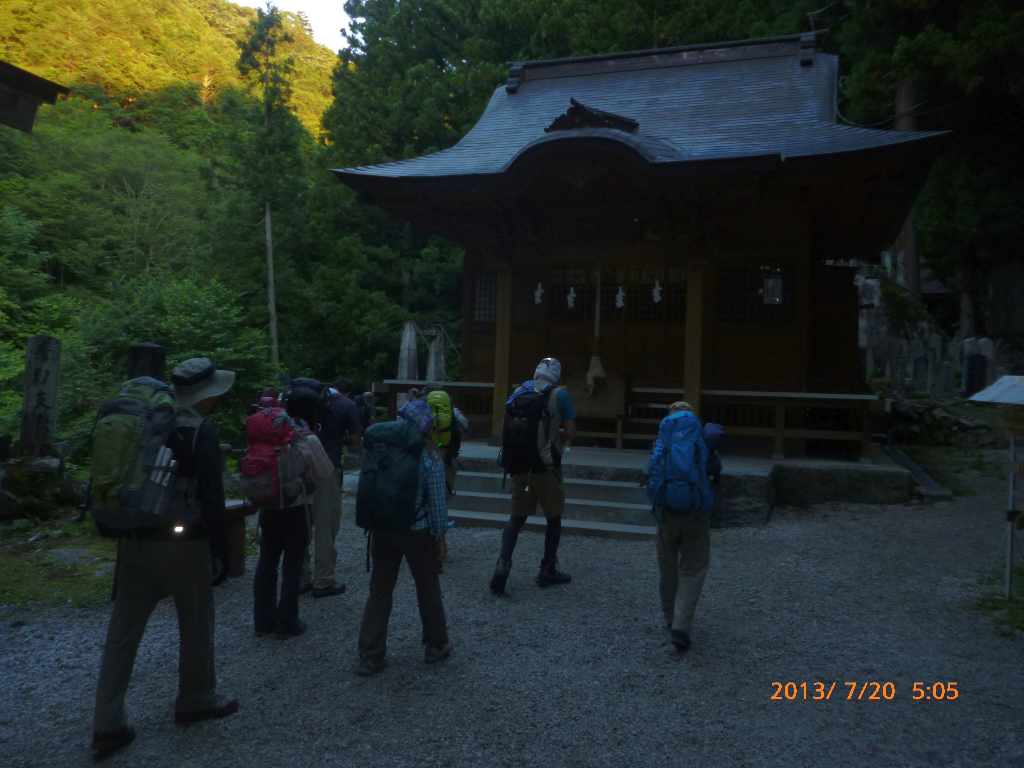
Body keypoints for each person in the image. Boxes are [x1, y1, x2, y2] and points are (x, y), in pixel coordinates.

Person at [91, 358, 239, 759]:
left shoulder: (145, 424)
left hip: (134, 539)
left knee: (123, 629)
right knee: (195, 619)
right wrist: (221, 553)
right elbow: (212, 497)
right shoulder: (198, 431)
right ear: (207, 394)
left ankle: (107, 723)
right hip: (183, 543)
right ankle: (196, 697)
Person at [356, 400, 452, 675]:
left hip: (383, 529)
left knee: (380, 590)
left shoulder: (380, 450)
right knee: (427, 588)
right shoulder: (429, 456)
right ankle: (436, 645)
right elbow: (436, 503)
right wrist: (440, 537)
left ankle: (371, 654)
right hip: (417, 531)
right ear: (428, 427)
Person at [251, 387, 335, 638]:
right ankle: (287, 622)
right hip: (297, 507)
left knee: (266, 562)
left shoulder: (267, 433)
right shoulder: (307, 438)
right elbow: (325, 472)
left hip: (268, 506)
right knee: (292, 565)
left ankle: (262, 621)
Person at [490, 357, 577, 594]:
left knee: (517, 517)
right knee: (553, 517)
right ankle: (547, 569)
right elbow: (570, 432)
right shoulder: (560, 395)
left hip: (519, 466)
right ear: (556, 376)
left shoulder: (519, 391)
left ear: (537, 372)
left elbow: (503, 426)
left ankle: (503, 563)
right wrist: (554, 431)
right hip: (547, 467)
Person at [648, 401, 718, 653]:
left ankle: (669, 617)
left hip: (667, 511)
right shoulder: (702, 442)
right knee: (693, 567)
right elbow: (714, 473)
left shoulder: (661, 443)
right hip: (696, 513)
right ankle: (681, 625)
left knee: (667, 564)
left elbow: (651, 475)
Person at [299, 376, 363, 598]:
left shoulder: (295, 400)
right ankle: (323, 579)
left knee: (300, 523)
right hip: (327, 468)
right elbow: (356, 438)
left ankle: (301, 577)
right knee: (326, 525)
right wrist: (340, 439)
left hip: (294, 470)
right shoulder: (346, 405)